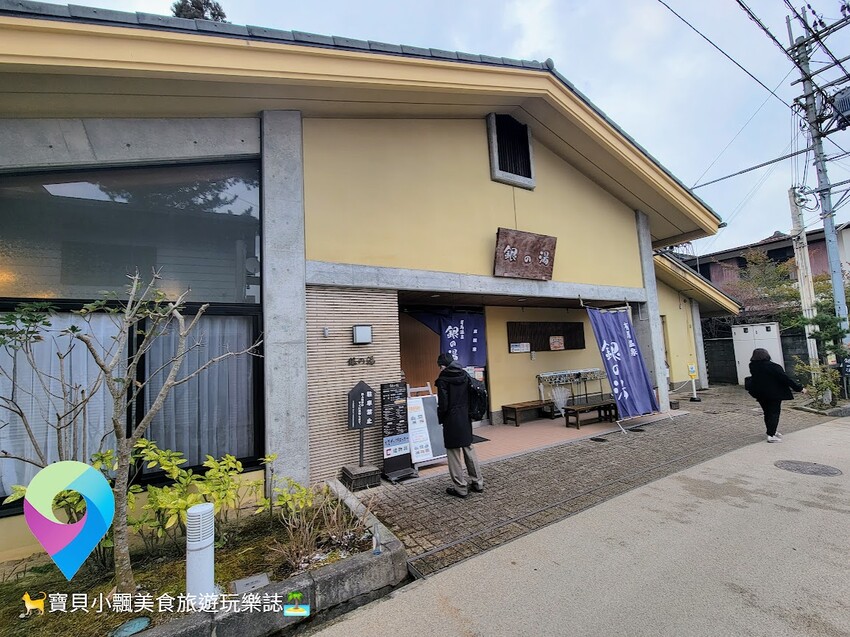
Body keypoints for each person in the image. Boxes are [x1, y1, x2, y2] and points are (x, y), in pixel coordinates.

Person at [435, 352, 484, 498]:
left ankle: (461, 488)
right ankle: (478, 482)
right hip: (465, 417)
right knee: (469, 448)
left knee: (453, 452)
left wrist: (441, 418)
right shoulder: (464, 375)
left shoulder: (443, 379)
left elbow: (444, 405)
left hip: (451, 419)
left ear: (443, 366)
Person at [748, 348, 806, 443]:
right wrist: (799, 388)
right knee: (774, 413)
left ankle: (772, 431)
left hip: (760, 393)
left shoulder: (753, 366)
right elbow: (785, 379)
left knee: (767, 413)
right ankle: (771, 435)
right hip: (774, 394)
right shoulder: (774, 366)